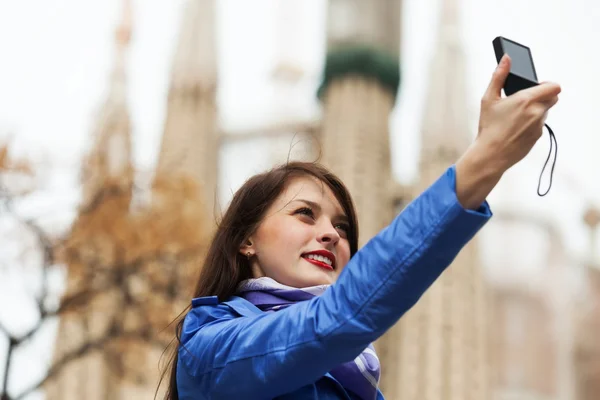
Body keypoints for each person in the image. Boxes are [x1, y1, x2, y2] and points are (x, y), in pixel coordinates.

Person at [159, 55, 561, 399]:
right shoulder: (212, 350)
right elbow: (335, 319)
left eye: (343, 226)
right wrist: (483, 161)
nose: (332, 234)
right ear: (246, 240)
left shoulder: (355, 373)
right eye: (304, 213)